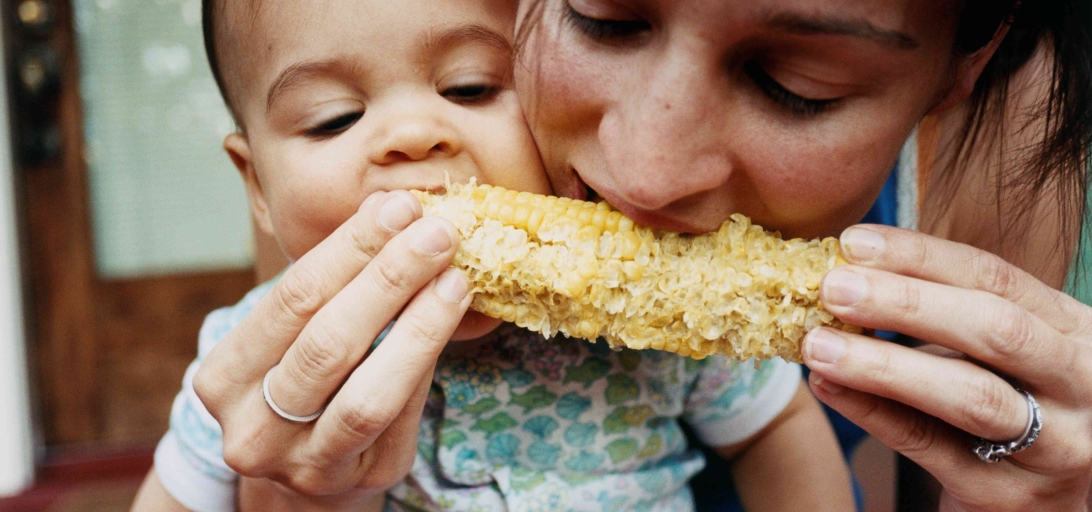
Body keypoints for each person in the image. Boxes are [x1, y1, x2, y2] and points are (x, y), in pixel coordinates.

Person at [140, 0, 1092, 510]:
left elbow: (782, 443)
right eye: (604, 20)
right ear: (253, 182)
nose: (647, 177)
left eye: (470, 88)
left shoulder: (668, 353)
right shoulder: (247, 363)